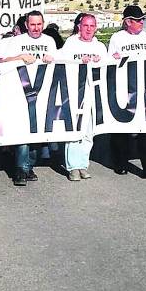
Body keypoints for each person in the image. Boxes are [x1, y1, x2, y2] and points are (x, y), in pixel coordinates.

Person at [0, 10, 57, 186]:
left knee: (35, 132)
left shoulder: (49, 41)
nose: (36, 28)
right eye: (32, 24)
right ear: (26, 25)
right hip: (20, 92)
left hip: (42, 93)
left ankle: (29, 166)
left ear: (43, 24)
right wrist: (20, 57)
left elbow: (58, 64)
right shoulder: (17, 41)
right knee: (22, 131)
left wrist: (52, 59)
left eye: (39, 24)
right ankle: (21, 169)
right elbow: (3, 61)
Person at [107, 5, 146, 179]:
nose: (142, 22)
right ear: (128, 22)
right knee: (122, 128)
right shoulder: (117, 38)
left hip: (145, 88)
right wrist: (114, 58)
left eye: (143, 19)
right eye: (138, 20)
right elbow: (110, 62)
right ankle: (121, 163)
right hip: (125, 89)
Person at [59, 13, 107, 181]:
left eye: (92, 26)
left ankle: (83, 164)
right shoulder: (71, 43)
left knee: (88, 132)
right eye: (85, 25)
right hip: (75, 94)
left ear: (96, 28)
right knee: (74, 131)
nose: (88, 29)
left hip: (93, 94)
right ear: (79, 26)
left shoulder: (100, 46)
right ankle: (72, 166)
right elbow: (61, 60)